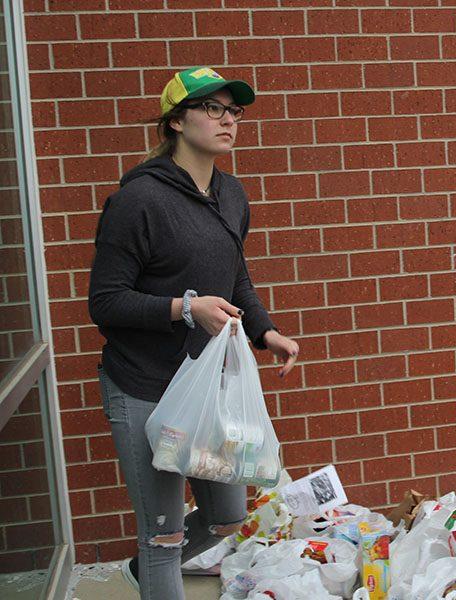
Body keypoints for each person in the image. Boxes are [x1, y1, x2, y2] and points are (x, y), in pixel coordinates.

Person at [88, 67, 299, 600]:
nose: (228, 120)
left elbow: (235, 275)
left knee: (227, 515)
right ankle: (156, 570)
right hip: (143, 388)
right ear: (177, 121)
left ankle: (146, 571)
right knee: (164, 534)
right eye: (213, 109)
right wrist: (186, 309)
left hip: (206, 391)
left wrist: (264, 331)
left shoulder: (231, 194)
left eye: (234, 111)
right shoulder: (137, 202)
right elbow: (105, 302)